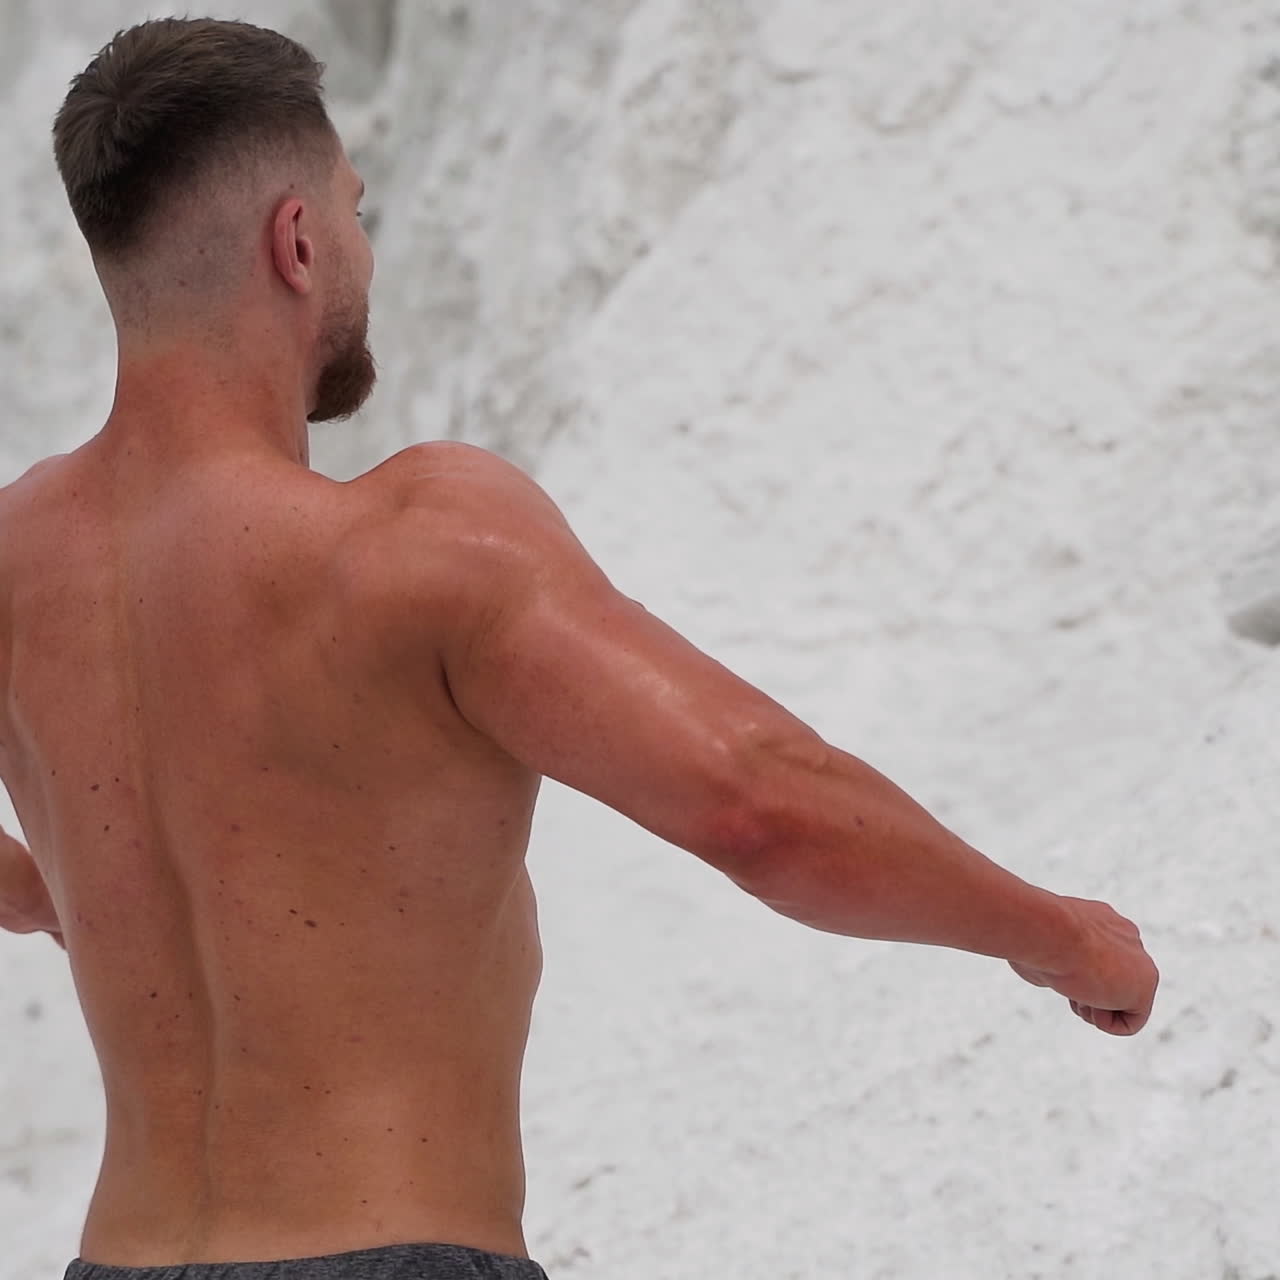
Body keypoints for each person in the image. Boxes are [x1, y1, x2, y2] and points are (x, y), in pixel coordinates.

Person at [0, 16, 1160, 1280]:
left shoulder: (17, 559)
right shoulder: (408, 544)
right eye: (353, 211)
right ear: (297, 241)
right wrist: (1057, 934)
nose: (362, 250)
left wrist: (67, 891)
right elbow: (756, 801)